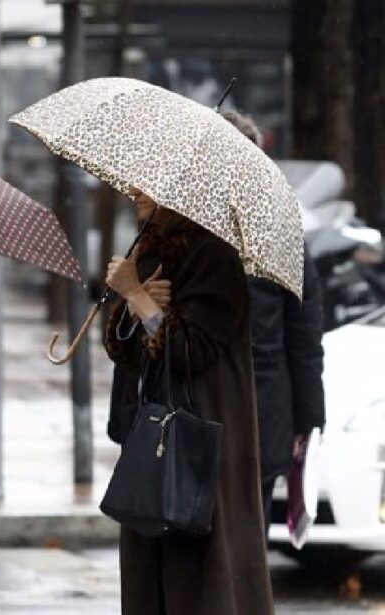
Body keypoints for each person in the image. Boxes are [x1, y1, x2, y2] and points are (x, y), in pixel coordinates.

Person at [104, 189, 273, 614]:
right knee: (151, 567)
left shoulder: (214, 256)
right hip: (155, 437)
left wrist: (138, 298)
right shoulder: (148, 253)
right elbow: (127, 352)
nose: (135, 192)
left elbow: (190, 350)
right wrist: (131, 302)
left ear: (180, 195)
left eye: (148, 186)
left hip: (202, 437)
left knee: (200, 574)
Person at [222, 110, 326, 530]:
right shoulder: (280, 234)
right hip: (262, 418)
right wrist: (308, 423)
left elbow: (303, 340)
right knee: (249, 545)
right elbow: (304, 341)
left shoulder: (185, 235)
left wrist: (309, 422)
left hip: (226, 417)